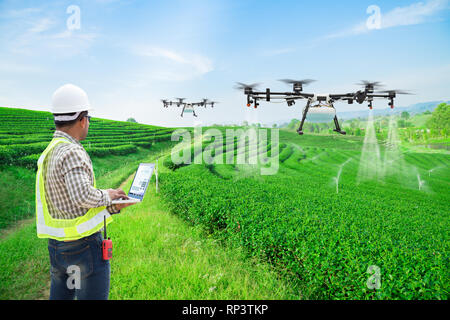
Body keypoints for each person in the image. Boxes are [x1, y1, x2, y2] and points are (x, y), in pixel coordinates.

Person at [36, 83, 136, 300]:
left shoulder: (50, 151)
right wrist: (109, 196)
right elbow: (81, 196)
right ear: (82, 120)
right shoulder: (72, 151)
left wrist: (109, 202)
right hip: (82, 248)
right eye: (88, 118)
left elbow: (69, 201)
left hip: (57, 246)